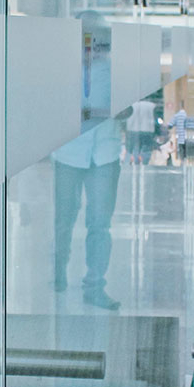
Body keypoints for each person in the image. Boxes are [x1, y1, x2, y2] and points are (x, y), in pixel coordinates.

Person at [52, 113, 127, 310]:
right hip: (69, 151)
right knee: (64, 219)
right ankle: (58, 269)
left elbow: (128, 109)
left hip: (105, 153)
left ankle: (94, 286)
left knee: (100, 223)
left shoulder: (114, 80)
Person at [126, 99, 156, 164]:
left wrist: (128, 129)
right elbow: (155, 118)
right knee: (146, 147)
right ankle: (145, 162)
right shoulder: (151, 105)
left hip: (134, 129)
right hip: (148, 129)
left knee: (136, 146)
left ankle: (136, 161)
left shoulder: (132, 105)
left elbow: (129, 118)